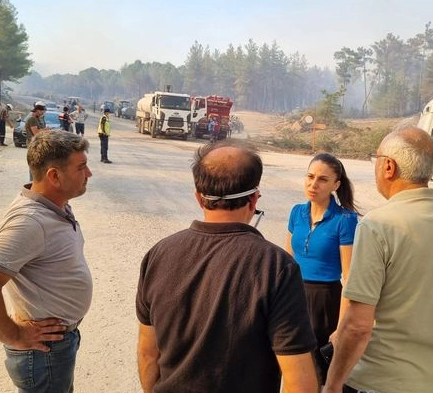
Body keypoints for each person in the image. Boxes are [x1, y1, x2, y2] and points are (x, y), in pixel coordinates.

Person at [135, 141, 319, 393]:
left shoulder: (158, 255)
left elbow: (148, 355)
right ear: (254, 199)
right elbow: (300, 383)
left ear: (199, 198)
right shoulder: (276, 267)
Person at [323, 127, 433, 393]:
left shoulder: (378, 225)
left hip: (377, 382)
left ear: (388, 166)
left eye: (376, 160)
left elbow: (357, 325)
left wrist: (332, 385)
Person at [0, 130, 94, 393]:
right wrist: (15, 335)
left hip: (59, 344)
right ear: (54, 176)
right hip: (45, 352)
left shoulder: (54, 204)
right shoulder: (29, 222)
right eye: (82, 167)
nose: (89, 174)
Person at [285, 152, 358, 385]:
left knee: (317, 371)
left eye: (323, 179)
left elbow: (349, 277)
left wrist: (340, 328)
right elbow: (287, 261)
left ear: (336, 185)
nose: (313, 184)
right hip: (293, 295)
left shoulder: (345, 219)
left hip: (324, 300)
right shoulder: (297, 212)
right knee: (290, 366)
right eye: (310, 176)